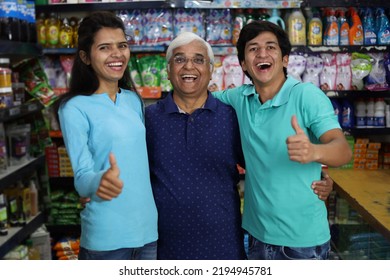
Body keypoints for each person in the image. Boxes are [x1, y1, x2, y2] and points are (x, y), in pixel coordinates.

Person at [145, 31, 335, 260]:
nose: (189, 67)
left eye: (198, 59)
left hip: (224, 245)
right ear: (167, 69)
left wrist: (318, 175)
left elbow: (262, 163)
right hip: (165, 247)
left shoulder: (231, 115)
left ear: (211, 69)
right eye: (179, 59)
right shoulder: (149, 119)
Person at [212, 21, 352, 260]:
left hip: (301, 241)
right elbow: (197, 100)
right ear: (244, 64)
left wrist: (314, 152)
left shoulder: (306, 96)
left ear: (285, 59)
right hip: (258, 235)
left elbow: (343, 150)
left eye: (271, 47)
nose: (262, 53)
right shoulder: (239, 98)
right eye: (253, 49)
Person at [57, 11, 158, 260]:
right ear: (85, 57)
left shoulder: (133, 100)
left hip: (148, 233)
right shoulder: (74, 108)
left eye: (122, 45)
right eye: (105, 47)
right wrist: (100, 180)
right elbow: (81, 178)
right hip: (106, 239)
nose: (117, 54)